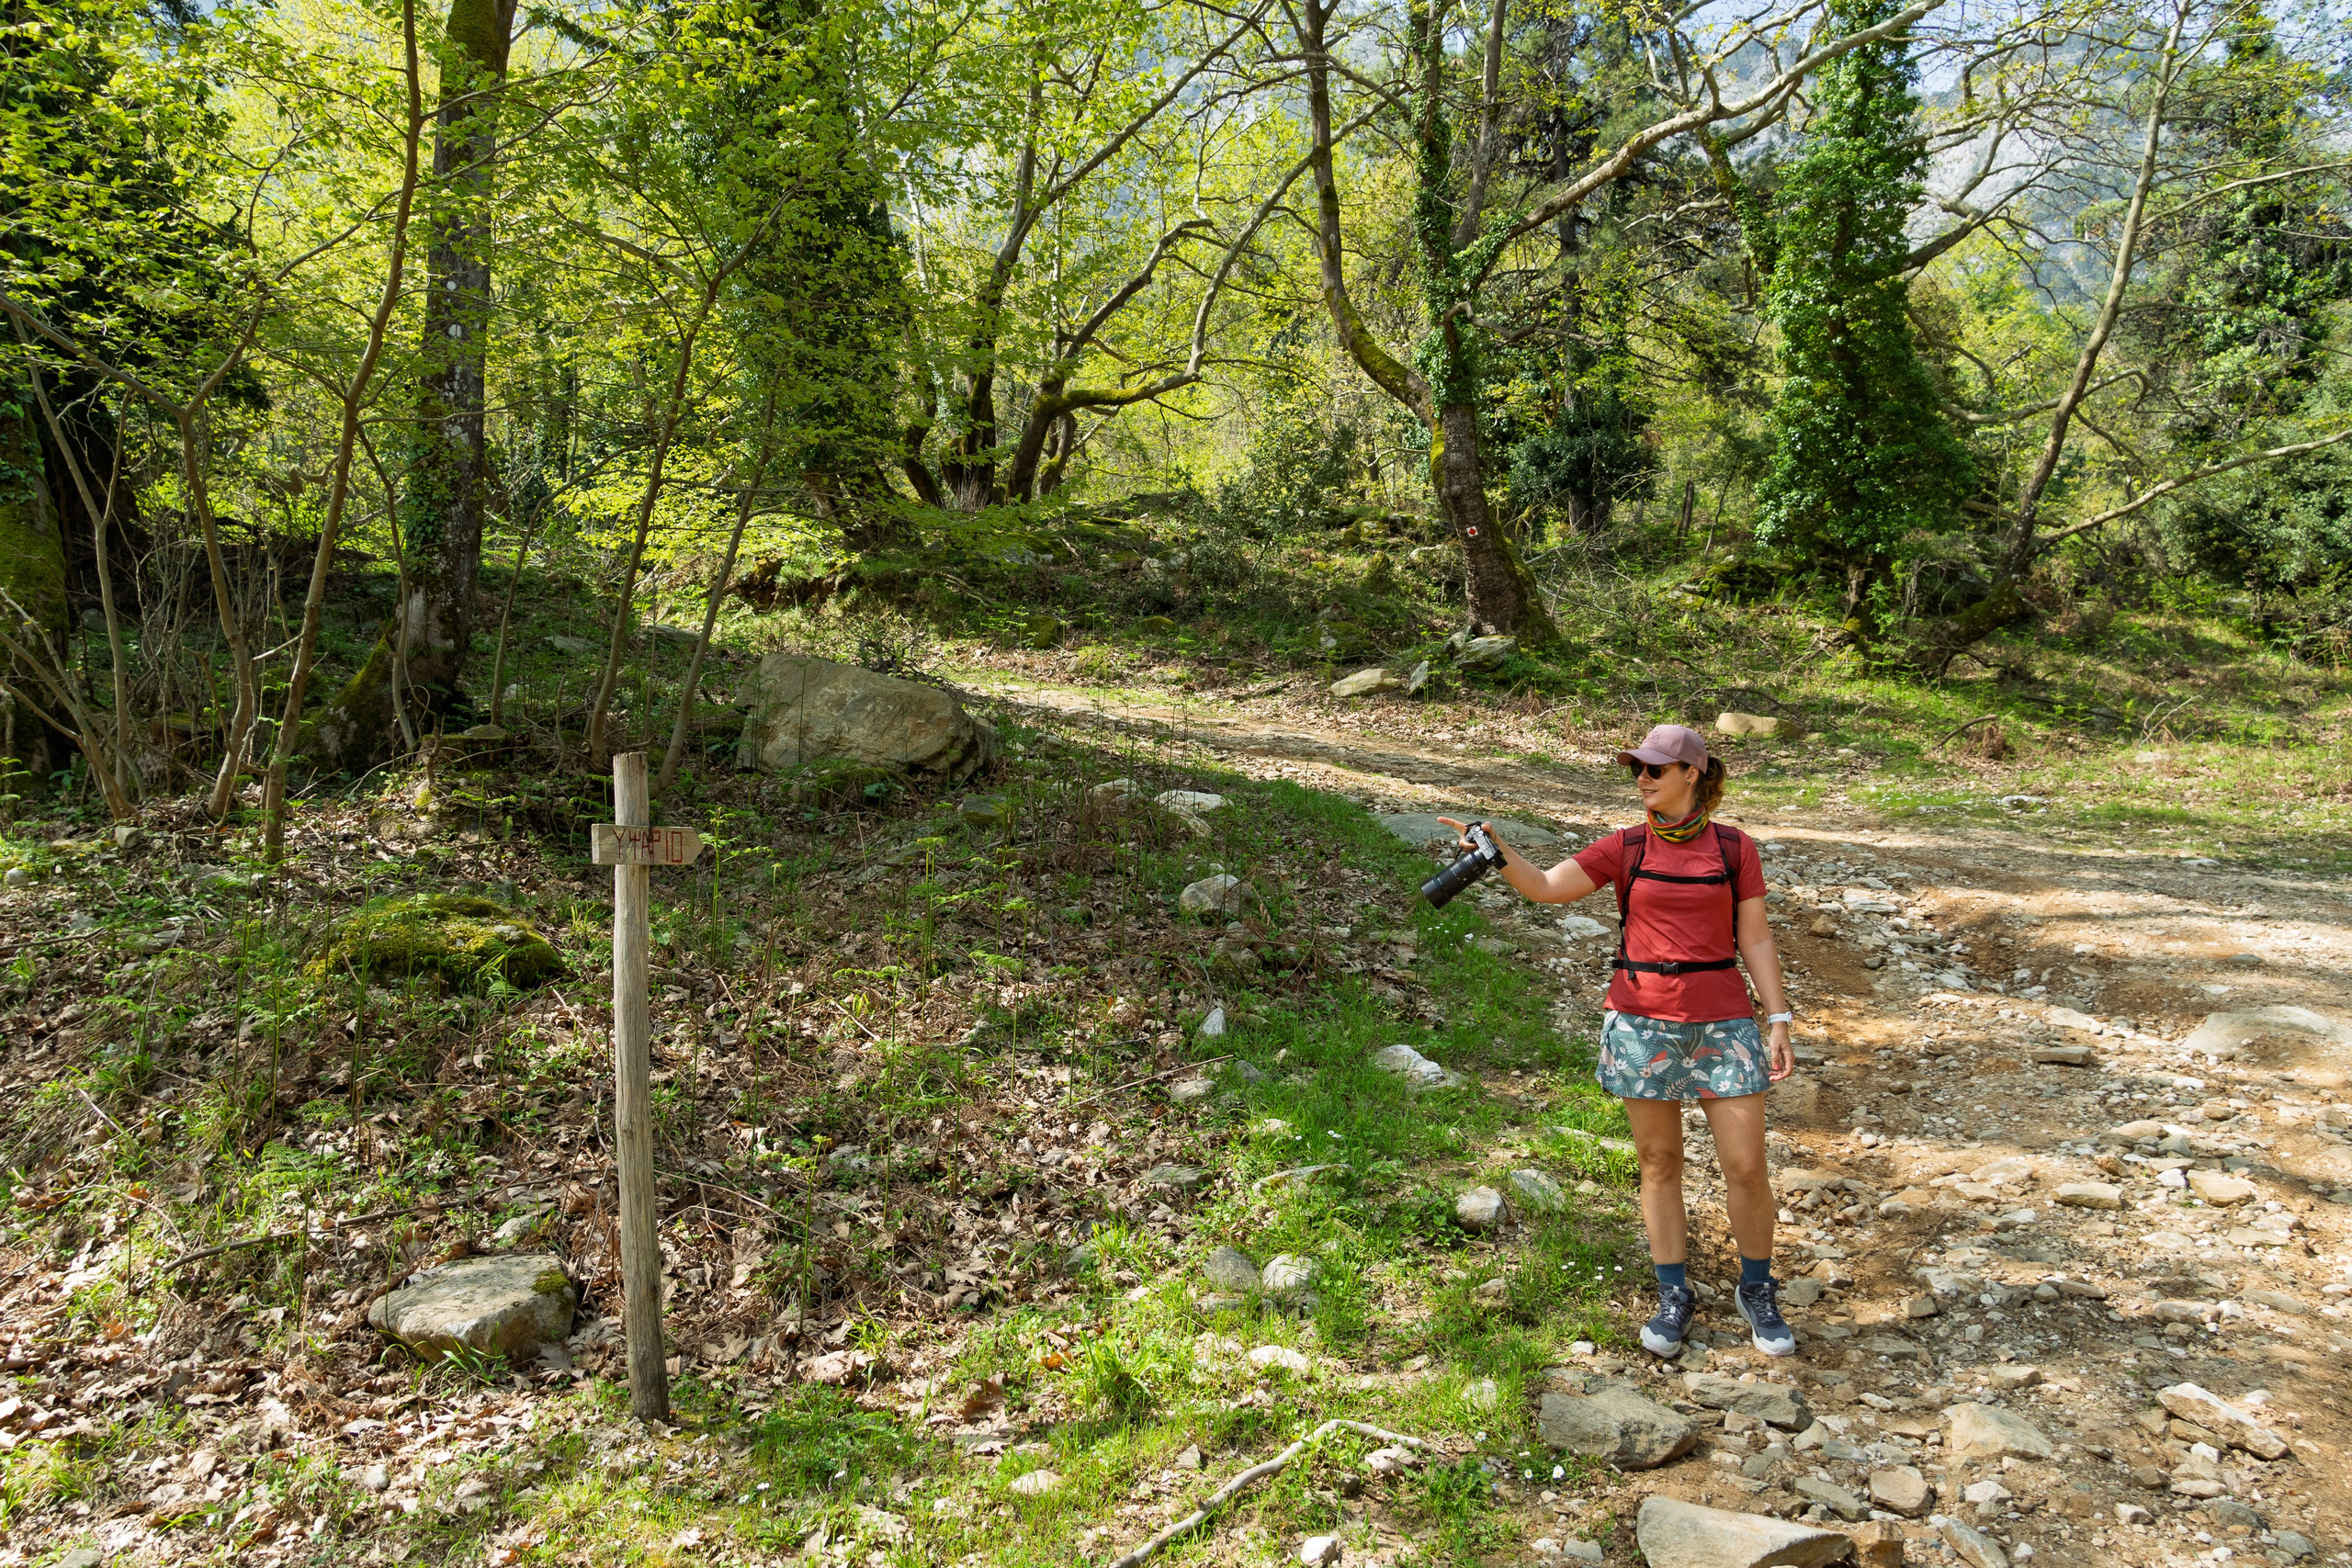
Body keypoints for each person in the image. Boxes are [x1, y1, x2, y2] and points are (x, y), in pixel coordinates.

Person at [1437, 722, 1798, 1358]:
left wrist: (1778, 1019)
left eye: (1656, 769)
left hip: (1724, 1022)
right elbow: (1548, 887)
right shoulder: (1626, 847)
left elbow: (1757, 936)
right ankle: (1673, 1293)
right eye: (1637, 767)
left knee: (1746, 1165)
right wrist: (1497, 848)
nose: (1643, 779)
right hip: (1641, 1022)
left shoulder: (1735, 849)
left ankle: (1757, 1288)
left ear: (1693, 773)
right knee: (1660, 1163)